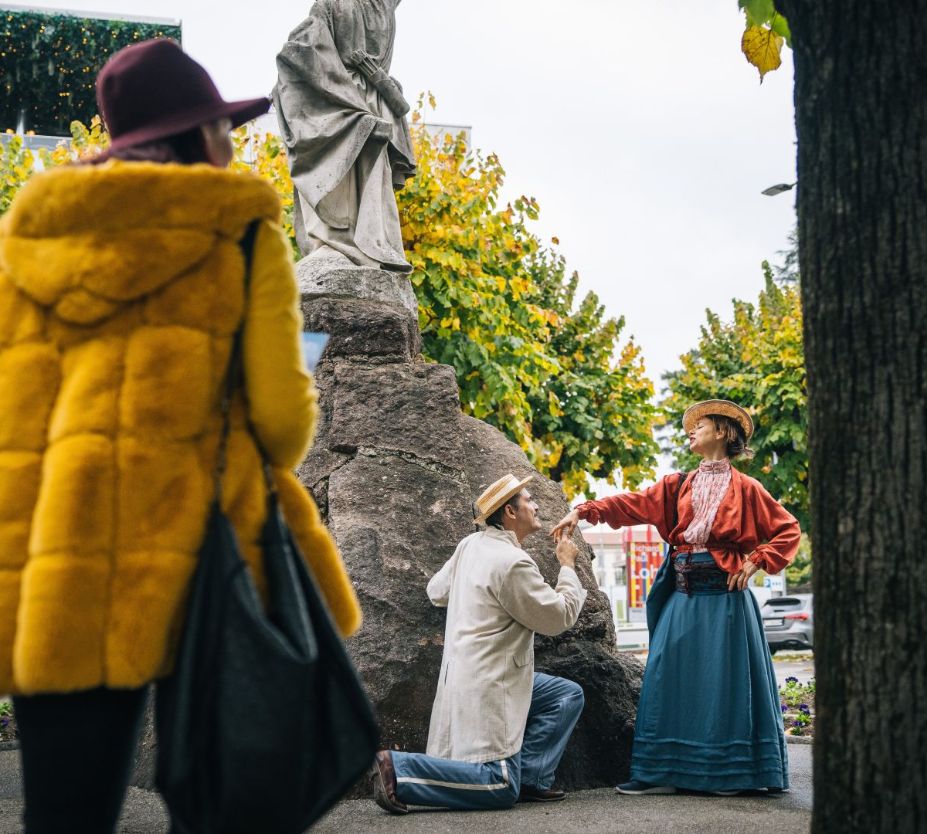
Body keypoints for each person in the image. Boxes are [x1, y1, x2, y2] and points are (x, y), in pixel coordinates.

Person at [0, 39, 361, 833]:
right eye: (221, 127)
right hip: (205, 560)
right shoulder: (238, 234)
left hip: (57, 572)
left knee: (64, 814)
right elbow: (281, 423)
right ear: (200, 134)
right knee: (231, 800)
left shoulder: (28, 248)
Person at [552, 400, 801, 796]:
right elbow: (631, 503)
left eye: (698, 425)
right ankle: (658, 772)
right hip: (682, 596)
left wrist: (756, 561)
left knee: (724, 686)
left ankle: (727, 775)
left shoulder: (748, 489)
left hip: (725, 602)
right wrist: (583, 511)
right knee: (665, 674)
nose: (690, 431)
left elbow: (788, 530)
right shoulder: (677, 486)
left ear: (722, 431)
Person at [368, 474, 587, 814]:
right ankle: (401, 771)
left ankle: (529, 778)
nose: (537, 504)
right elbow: (558, 618)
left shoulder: (470, 546)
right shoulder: (513, 563)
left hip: (466, 675)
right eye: (529, 500)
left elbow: (435, 592)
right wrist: (567, 566)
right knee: (498, 786)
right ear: (510, 513)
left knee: (564, 694)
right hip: (491, 683)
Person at [274, 0, 417, 270]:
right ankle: (371, 247)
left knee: (337, 170)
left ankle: (336, 246)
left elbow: (300, 51)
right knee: (370, 181)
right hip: (374, 103)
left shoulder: (332, 5)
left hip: (337, 100)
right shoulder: (383, 9)